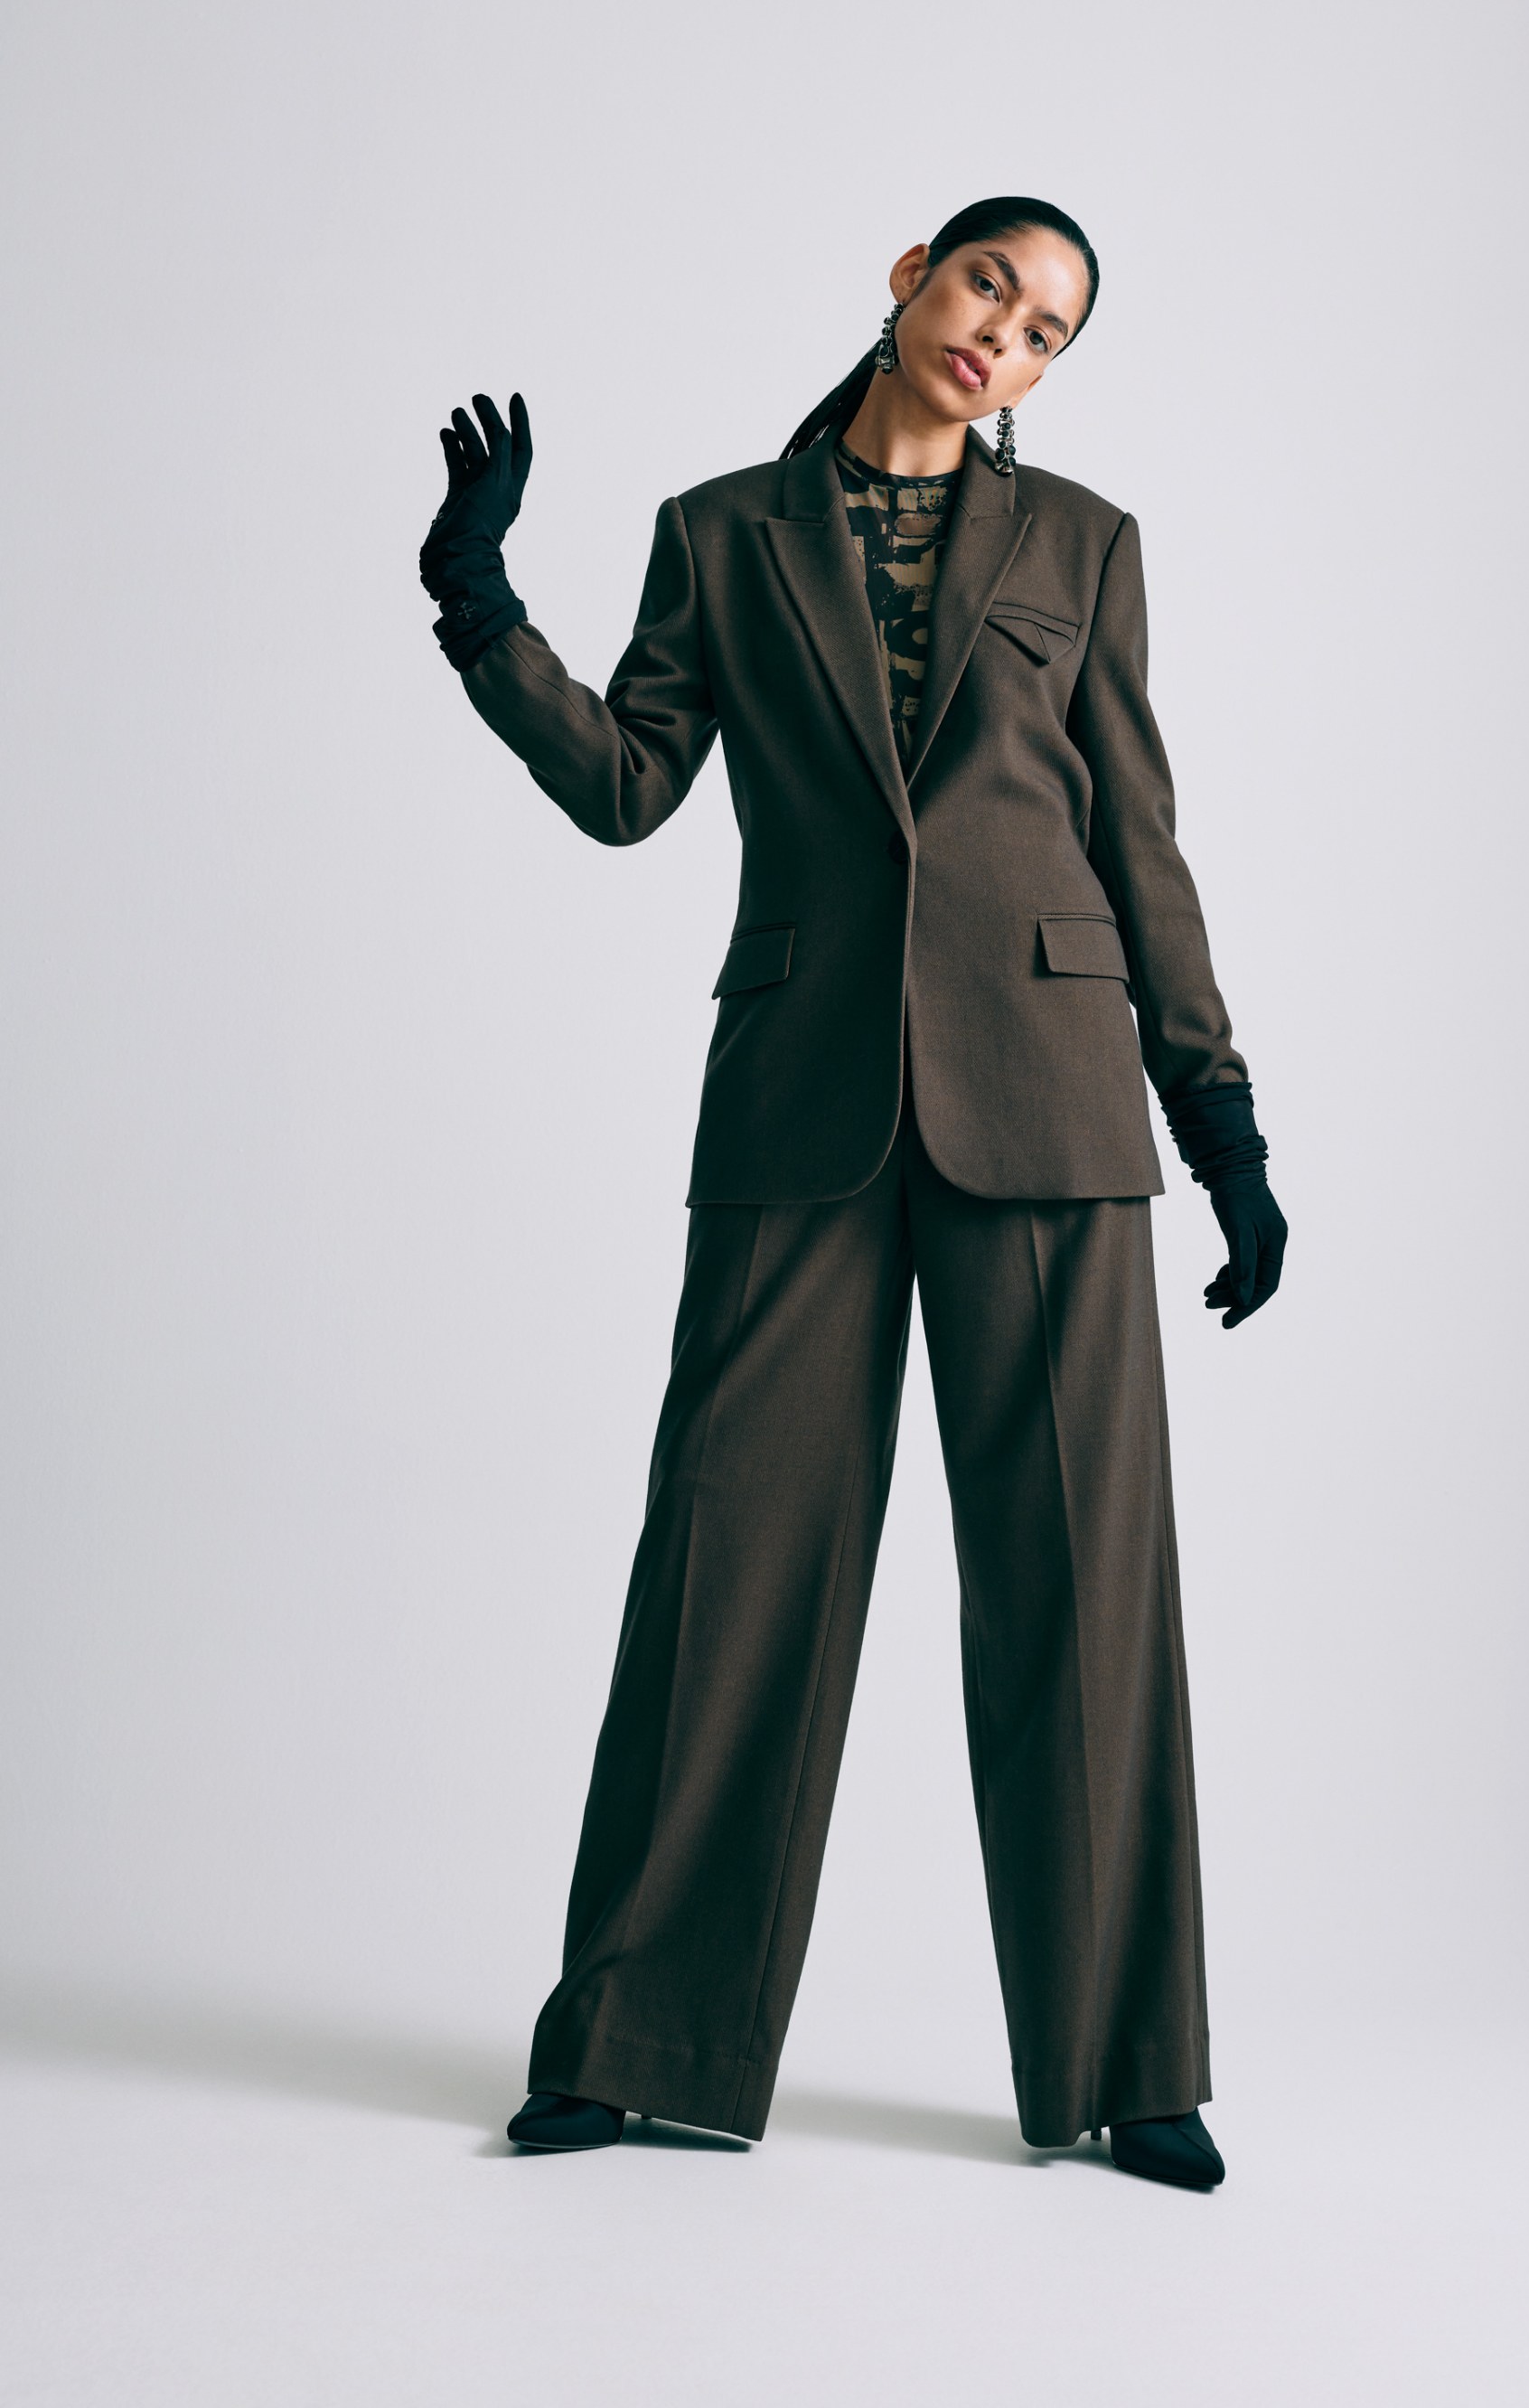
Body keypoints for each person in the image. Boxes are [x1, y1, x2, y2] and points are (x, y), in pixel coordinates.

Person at [417, 197, 1286, 2192]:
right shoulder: (722, 531)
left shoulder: (1082, 546)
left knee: (1081, 1590)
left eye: (1048, 329)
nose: (1005, 335)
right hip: (800, 1103)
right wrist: (481, 606)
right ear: (910, 277)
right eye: (989, 284)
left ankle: (1127, 2062)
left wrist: (1221, 1122)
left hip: (1052, 1103)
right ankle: (636, 2039)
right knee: (727, 1566)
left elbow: (1139, 848)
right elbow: (629, 783)